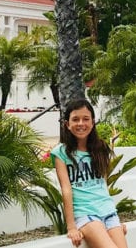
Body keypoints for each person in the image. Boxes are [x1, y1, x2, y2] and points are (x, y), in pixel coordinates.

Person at [52, 99, 128, 248]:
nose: (81, 123)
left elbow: (103, 185)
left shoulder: (101, 148)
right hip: (86, 215)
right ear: (67, 124)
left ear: (93, 123)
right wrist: (71, 227)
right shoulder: (60, 153)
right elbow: (66, 190)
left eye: (86, 119)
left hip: (109, 213)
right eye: (75, 119)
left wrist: (117, 222)